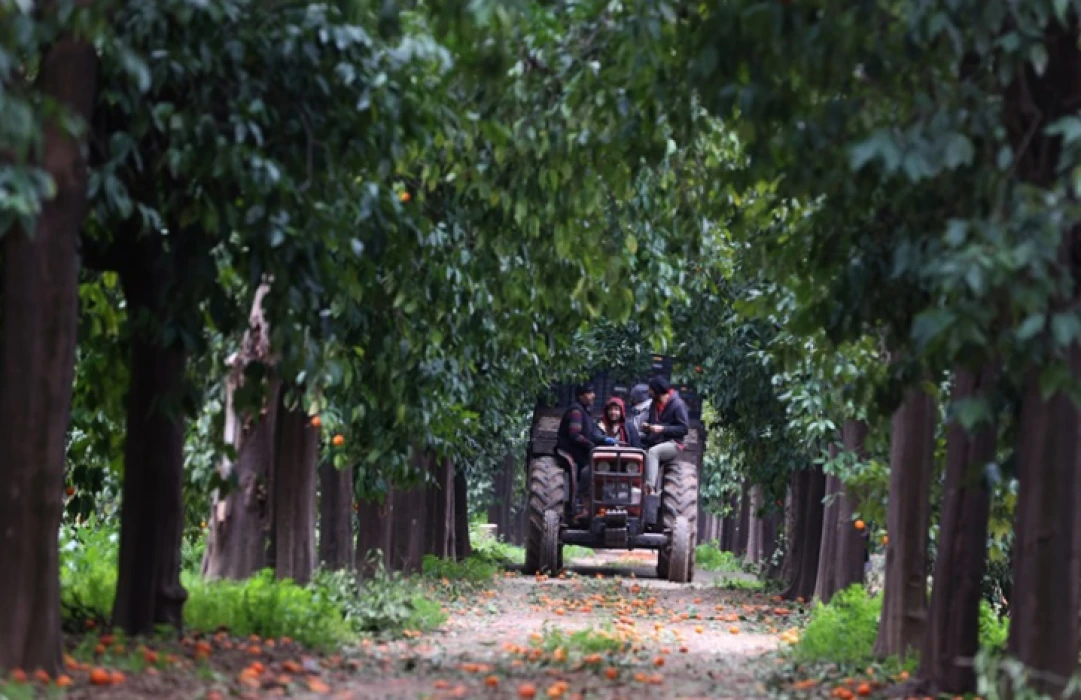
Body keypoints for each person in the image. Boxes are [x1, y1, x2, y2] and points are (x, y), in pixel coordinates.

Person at [556, 383, 615, 512]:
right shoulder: (576, 412)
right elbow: (575, 435)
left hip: (583, 451)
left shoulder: (586, 412)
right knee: (589, 470)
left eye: (593, 392)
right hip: (574, 453)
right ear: (581, 396)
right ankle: (580, 501)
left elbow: (591, 433)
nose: (593, 396)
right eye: (589, 393)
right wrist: (591, 445)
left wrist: (603, 439)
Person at [641, 376, 689, 493]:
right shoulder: (654, 404)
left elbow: (684, 429)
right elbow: (654, 424)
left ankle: (649, 488)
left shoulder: (677, 405)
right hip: (656, 440)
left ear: (657, 391)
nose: (649, 392)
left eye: (651, 390)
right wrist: (648, 427)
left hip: (673, 444)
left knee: (653, 452)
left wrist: (663, 429)